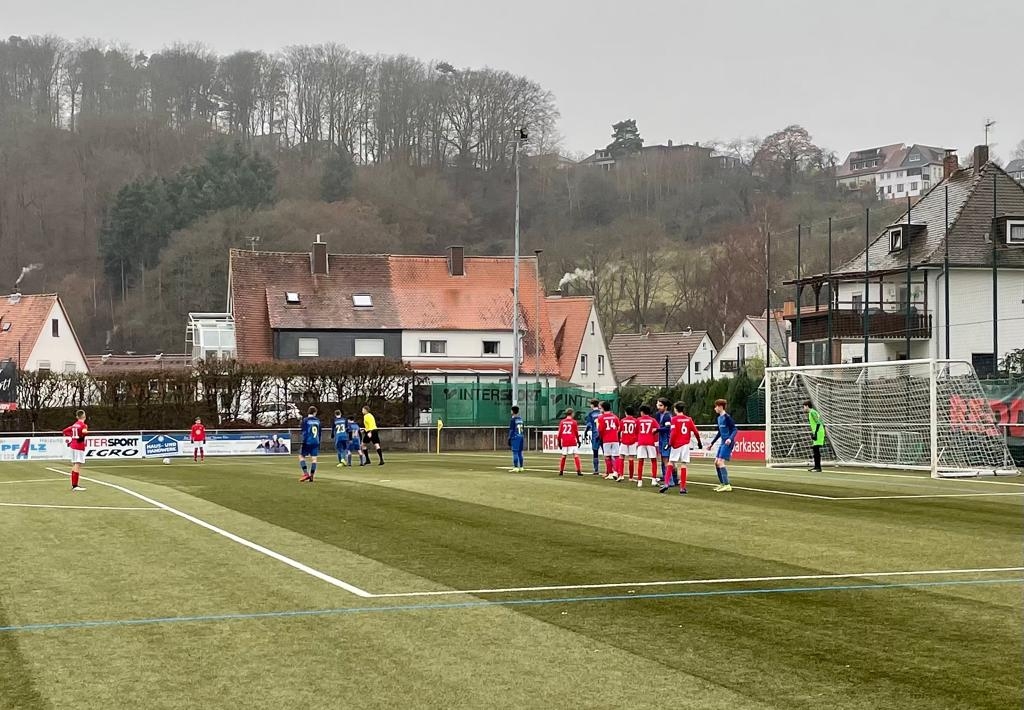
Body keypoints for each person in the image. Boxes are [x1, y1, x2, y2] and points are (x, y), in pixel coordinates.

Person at [662, 402, 703, 495]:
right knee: (683, 464)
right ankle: (682, 488)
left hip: (676, 444)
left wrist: (670, 444)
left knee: (671, 462)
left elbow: (673, 433)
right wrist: (699, 442)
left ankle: (666, 483)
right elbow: (696, 432)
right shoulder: (688, 419)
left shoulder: (674, 419)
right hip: (685, 444)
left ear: (675, 409)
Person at [709, 399, 738, 492]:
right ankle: (722, 484)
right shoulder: (719, 418)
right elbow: (720, 432)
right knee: (716, 462)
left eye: (716, 406)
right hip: (722, 442)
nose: (715, 408)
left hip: (728, 442)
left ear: (720, 407)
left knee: (720, 462)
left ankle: (727, 485)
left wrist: (730, 438)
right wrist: (712, 443)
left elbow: (735, 429)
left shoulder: (727, 417)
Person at [62, 409, 88, 491]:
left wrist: (72, 436)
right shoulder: (83, 425)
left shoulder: (74, 425)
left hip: (73, 445)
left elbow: (64, 431)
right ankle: (75, 486)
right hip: (79, 446)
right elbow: (84, 432)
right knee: (77, 464)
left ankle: (74, 485)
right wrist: (83, 434)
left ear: (77, 417)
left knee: (75, 464)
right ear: (84, 416)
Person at [635, 405, 659, 489]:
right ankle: (653, 480)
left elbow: (636, 431)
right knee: (653, 460)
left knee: (640, 461)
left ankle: (639, 481)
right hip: (650, 441)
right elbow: (657, 430)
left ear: (642, 412)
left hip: (641, 441)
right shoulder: (653, 420)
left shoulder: (638, 420)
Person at [597, 400, 622, 480]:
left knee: (607, 456)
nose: (600, 410)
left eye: (600, 408)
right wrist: (614, 433)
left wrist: (600, 437)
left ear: (603, 408)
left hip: (606, 439)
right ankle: (616, 472)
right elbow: (619, 427)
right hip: (615, 439)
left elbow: (600, 430)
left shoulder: (601, 417)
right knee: (616, 456)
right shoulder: (615, 417)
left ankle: (610, 473)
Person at [556, 408, 582, 476]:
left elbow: (559, 433)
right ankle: (578, 471)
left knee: (563, 456)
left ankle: (561, 471)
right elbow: (576, 432)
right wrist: (578, 441)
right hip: (572, 440)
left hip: (565, 441)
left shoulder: (562, 422)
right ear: (572, 414)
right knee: (575, 455)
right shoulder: (574, 422)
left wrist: (559, 443)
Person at [299, 406, 321, 482]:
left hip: (307, 441)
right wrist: (319, 441)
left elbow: (304, 432)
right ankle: (312, 476)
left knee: (301, 456)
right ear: (314, 413)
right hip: (316, 441)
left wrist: (303, 441)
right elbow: (319, 433)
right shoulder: (318, 421)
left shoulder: (305, 420)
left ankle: (306, 474)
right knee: (314, 459)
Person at [654, 398, 673, 486]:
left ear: (666, 407)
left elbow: (667, 428)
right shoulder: (659, 414)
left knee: (666, 460)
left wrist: (657, 430)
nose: (658, 407)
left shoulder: (667, 416)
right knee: (663, 459)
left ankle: (670, 481)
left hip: (666, 439)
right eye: (658, 405)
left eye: (660, 405)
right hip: (661, 439)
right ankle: (666, 477)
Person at [804, 400, 825, 472]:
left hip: (818, 432)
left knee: (816, 449)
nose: (804, 408)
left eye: (804, 407)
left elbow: (818, 423)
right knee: (815, 449)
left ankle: (818, 468)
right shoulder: (813, 412)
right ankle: (816, 467)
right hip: (818, 431)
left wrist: (815, 433)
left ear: (807, 406)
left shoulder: (812, 412)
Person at [619, 406, 638, 481]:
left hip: (624, 440)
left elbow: (620, 430)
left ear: (626, 412)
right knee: (631, 458)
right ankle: (631, 477)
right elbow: (637, 431)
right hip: (633, 441)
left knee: (621, 457)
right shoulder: (635, 421)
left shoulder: (623, 420)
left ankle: (621, 475)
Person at [586, 399, 602, 474]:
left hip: (595, 434)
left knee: (595, 452)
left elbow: (589, 425)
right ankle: (610, 471)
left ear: (592, 405)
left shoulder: (591, 414)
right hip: (603, 434)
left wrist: (586, 431)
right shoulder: (601, 412)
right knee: (607, 452)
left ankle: (596, 470)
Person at [508, 405, 525, 472]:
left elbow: (511, 430)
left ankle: (515, 467)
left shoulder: (513, 420)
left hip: (515, 437)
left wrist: (509, 438)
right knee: (520, 452)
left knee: (515, 452)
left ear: (512, 411)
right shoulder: (520, 419)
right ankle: (521, 467)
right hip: (521, 436)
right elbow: (523, 428)